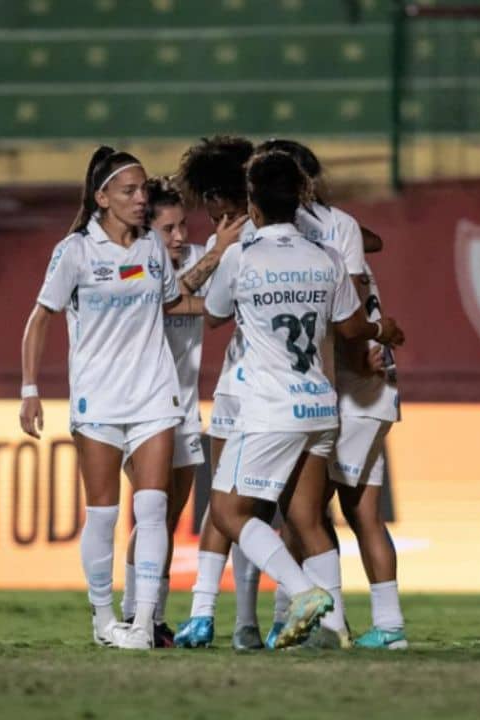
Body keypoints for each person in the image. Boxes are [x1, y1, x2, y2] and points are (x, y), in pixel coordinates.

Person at [203, 150, 405, 649]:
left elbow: (212, 314)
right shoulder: (327, 257)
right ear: (299, 200)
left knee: (228, 513)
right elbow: (353, 326)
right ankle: (333, 631)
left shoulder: (242, 256)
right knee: (307, 519)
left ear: (252, 203)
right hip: (321, 404)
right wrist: (385, 329)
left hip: (270, 406)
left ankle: (302, 593)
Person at [18, 147, 185, 650]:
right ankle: (102, 617)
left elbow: (175, 301)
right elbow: (39, 318)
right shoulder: (76, 252)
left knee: (153, 511)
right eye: (130, 191)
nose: (141, 200)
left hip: (154, 395)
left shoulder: (153, 248)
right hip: (99, 401)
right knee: (105, 516)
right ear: (102, 197)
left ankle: (142, 623)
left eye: (144, 191)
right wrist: (30, 391)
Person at [118, 175, 240, 647]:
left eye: (182, 226)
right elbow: (161, 302)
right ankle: (133, 613)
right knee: (151, 513)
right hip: (139, 407)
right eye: (167, 229)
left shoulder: (192, 258)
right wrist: (215, 259)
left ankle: (153, 616)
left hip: (185, 408)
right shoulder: (129, 266)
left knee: (167, 520)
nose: (178, 237)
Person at [168, 136, 271, 650]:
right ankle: (248, 623)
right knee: (263, 511)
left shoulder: (228, 243)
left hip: (242, 388)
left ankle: (207, 613)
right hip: (288, 391)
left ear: (214, 195)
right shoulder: (290, 228)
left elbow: (198, 309)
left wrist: (220, 255)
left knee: (226, 505)